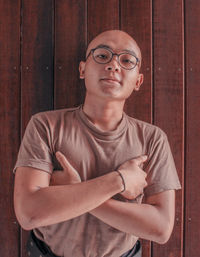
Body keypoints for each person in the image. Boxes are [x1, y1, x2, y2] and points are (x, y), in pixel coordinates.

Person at [14, 30, 181, 257]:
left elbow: (161, 229)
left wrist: (74, 190)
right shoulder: (45, 126)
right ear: (83, 69)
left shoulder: (153, 139)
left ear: (138, 81)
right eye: (102, 56)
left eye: (127, 60)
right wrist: (119, 181)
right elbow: (29, 213)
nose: (113, 65)